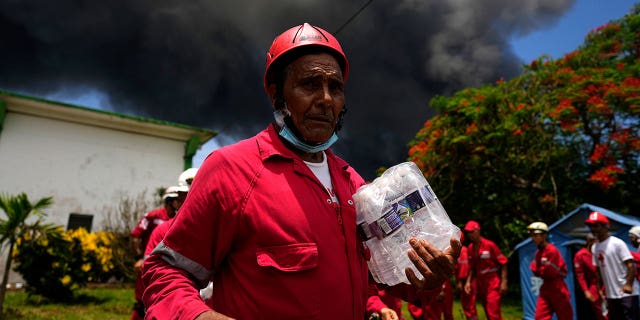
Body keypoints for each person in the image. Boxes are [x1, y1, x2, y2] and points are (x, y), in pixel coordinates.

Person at [142, 22, 461, 320]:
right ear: (275, 93)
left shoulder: (354, 185)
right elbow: (164, 274)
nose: (325, 99)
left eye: (335, 87)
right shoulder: (231, 170)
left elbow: (372, 282)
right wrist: (201, 316)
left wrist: (427, 278)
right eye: (309, 84)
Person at [130, 186, 181, 320]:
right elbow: (135, 236)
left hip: (169, 264)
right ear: (169, 202)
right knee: (143, 300)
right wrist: (139, 258)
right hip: (149, 262)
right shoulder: (153, 217)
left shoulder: (180, 219)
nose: (179, 204)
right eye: (176, 200)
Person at [586, 211, 640, 320]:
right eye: (591, 226)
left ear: (605, 227)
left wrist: (628, 284)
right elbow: (597, 270)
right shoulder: (595, 248)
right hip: (611, 295)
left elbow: (630, 264)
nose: (593, 229)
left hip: (627, 294)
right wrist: (600, 288)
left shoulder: (617, 243)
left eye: (596, 226)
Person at [527, 222, 573, 320]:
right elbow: (535, 271)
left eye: (536, 235)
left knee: (565, 316)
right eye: (531, 235)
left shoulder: (552, 251)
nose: (533, 238)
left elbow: (549, 273)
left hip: (558, 287)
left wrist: (540, 271)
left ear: (544, 235)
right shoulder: (539, 252)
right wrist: (541, 271)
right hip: (546, 287)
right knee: (540, 317)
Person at [463, 220, 507, 320]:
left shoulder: (490, 245)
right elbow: (472, 268)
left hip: (492, 283)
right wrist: (468, 282)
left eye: (471, 232)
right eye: (468, 233)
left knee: (493, 313)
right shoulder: (470, 248)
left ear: (478, 230)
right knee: (487, 311)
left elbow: (503, 263)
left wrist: (504, 282)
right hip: (480, 283)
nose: (469, 235)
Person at [574, 233, 608, 320]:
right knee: (600, 312)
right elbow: (580, 275)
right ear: (589, 242)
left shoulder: (602, 251)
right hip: (593, 286)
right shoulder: (580, 255)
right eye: (594, 241)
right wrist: (586, 291)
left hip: (607, 284)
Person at [456, 233, 478, 320]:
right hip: (465, 282)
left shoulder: (463, 251)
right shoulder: (459, 251)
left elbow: (464, 268)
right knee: (467, 306)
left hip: (467, 283)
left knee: (470, 307)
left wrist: (461, 282)